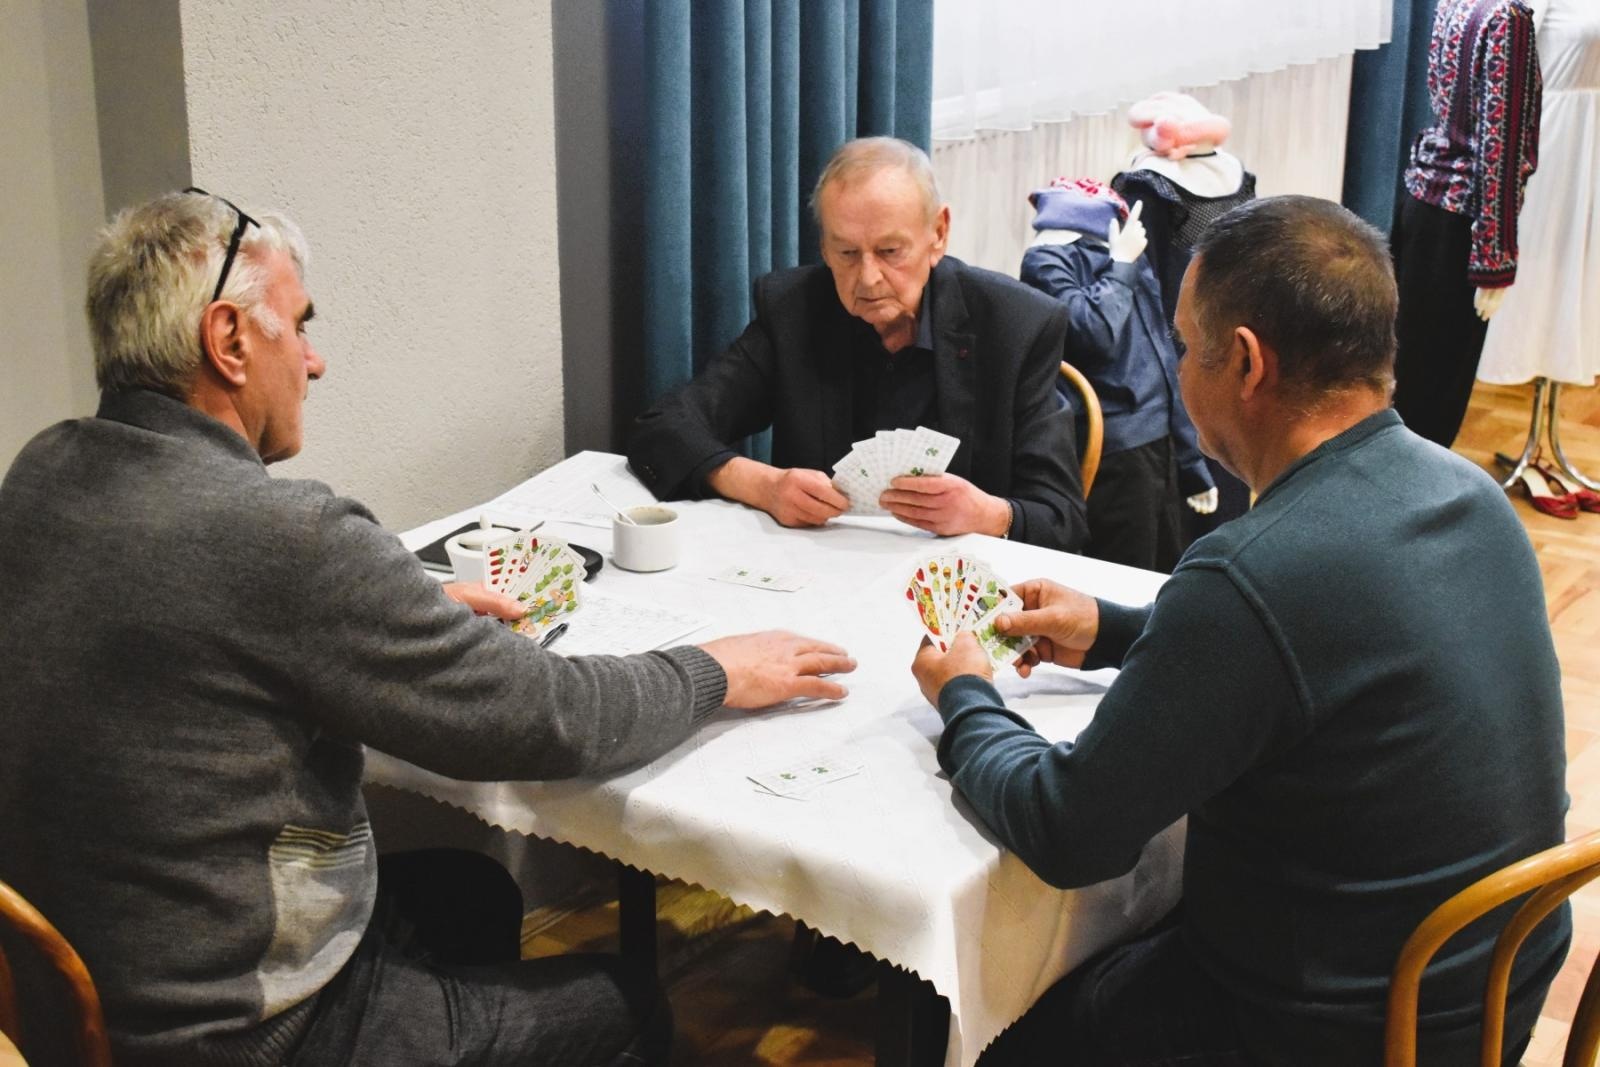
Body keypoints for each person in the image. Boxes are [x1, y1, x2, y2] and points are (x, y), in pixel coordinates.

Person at [0, 190, 857, 1067]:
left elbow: (212, 640)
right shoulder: (283, 535)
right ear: (229, 340)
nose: (315, 361)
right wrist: (716, 669)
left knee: (471, 893)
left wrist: (402, 615)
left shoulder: (41, 472)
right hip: (243, 1036)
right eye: (299, 326)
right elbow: (549, 716)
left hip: (69, 1004)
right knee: (629, 1001)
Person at [910, 196, 1568, 1064]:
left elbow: (1067, 829)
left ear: (1248, 363)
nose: (1181, 369)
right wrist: (1111, 629)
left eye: (1187, 347)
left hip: (1322, 1034)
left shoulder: (1247, 572)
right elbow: (1312, 654)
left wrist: (965, 695)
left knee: (989, 1021)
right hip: (1487, 1000)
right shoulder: (1470, 496)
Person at [627, 136, 1088, 552]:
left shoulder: (1016, 326)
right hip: (820, 573)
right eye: (847, 253)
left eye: (890, 252)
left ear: (938, 234)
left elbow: (1062, 520)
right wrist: (763, 485)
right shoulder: (795, 311)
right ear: (824, 248)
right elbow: (663, 428)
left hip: (958, 582)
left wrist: (987, 514)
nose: (867, 279)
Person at [1019, 176, 1215, 573]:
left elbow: (1161, 356)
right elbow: (1094, 333)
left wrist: (1191, 462)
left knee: (1164, 571)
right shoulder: (1046, 260)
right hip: (1112, 447)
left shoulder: (1125, 254)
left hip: (1158, 441)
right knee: (1120, 573)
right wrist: (1121, 266)